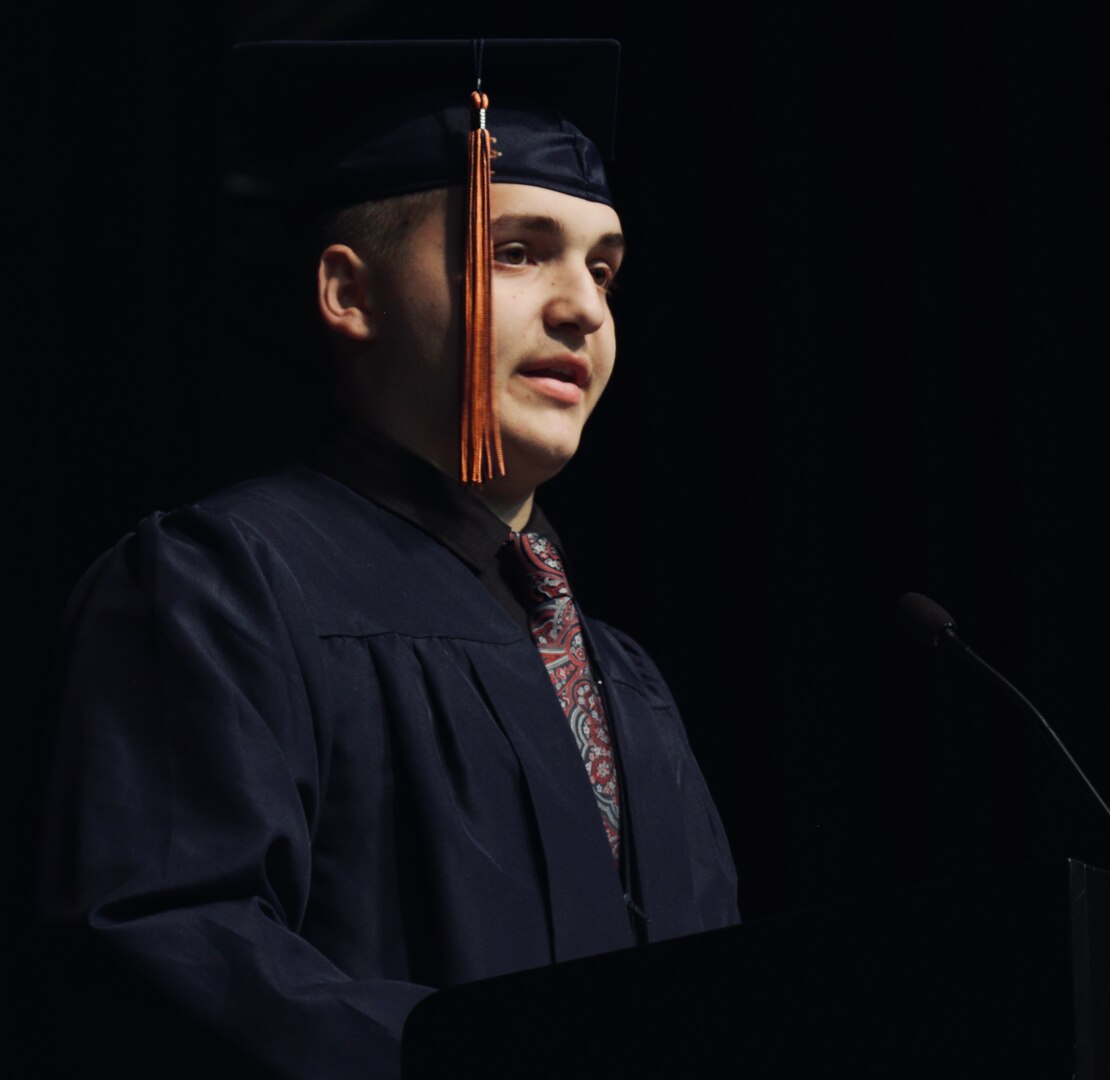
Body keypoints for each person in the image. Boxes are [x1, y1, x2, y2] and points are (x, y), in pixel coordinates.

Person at [37, 39, 739, 1079]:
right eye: (515, 250)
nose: (583, 307)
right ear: (347, 294)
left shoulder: (625, 681)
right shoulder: (218, 587)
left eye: (602, 268)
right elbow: (159, 948)